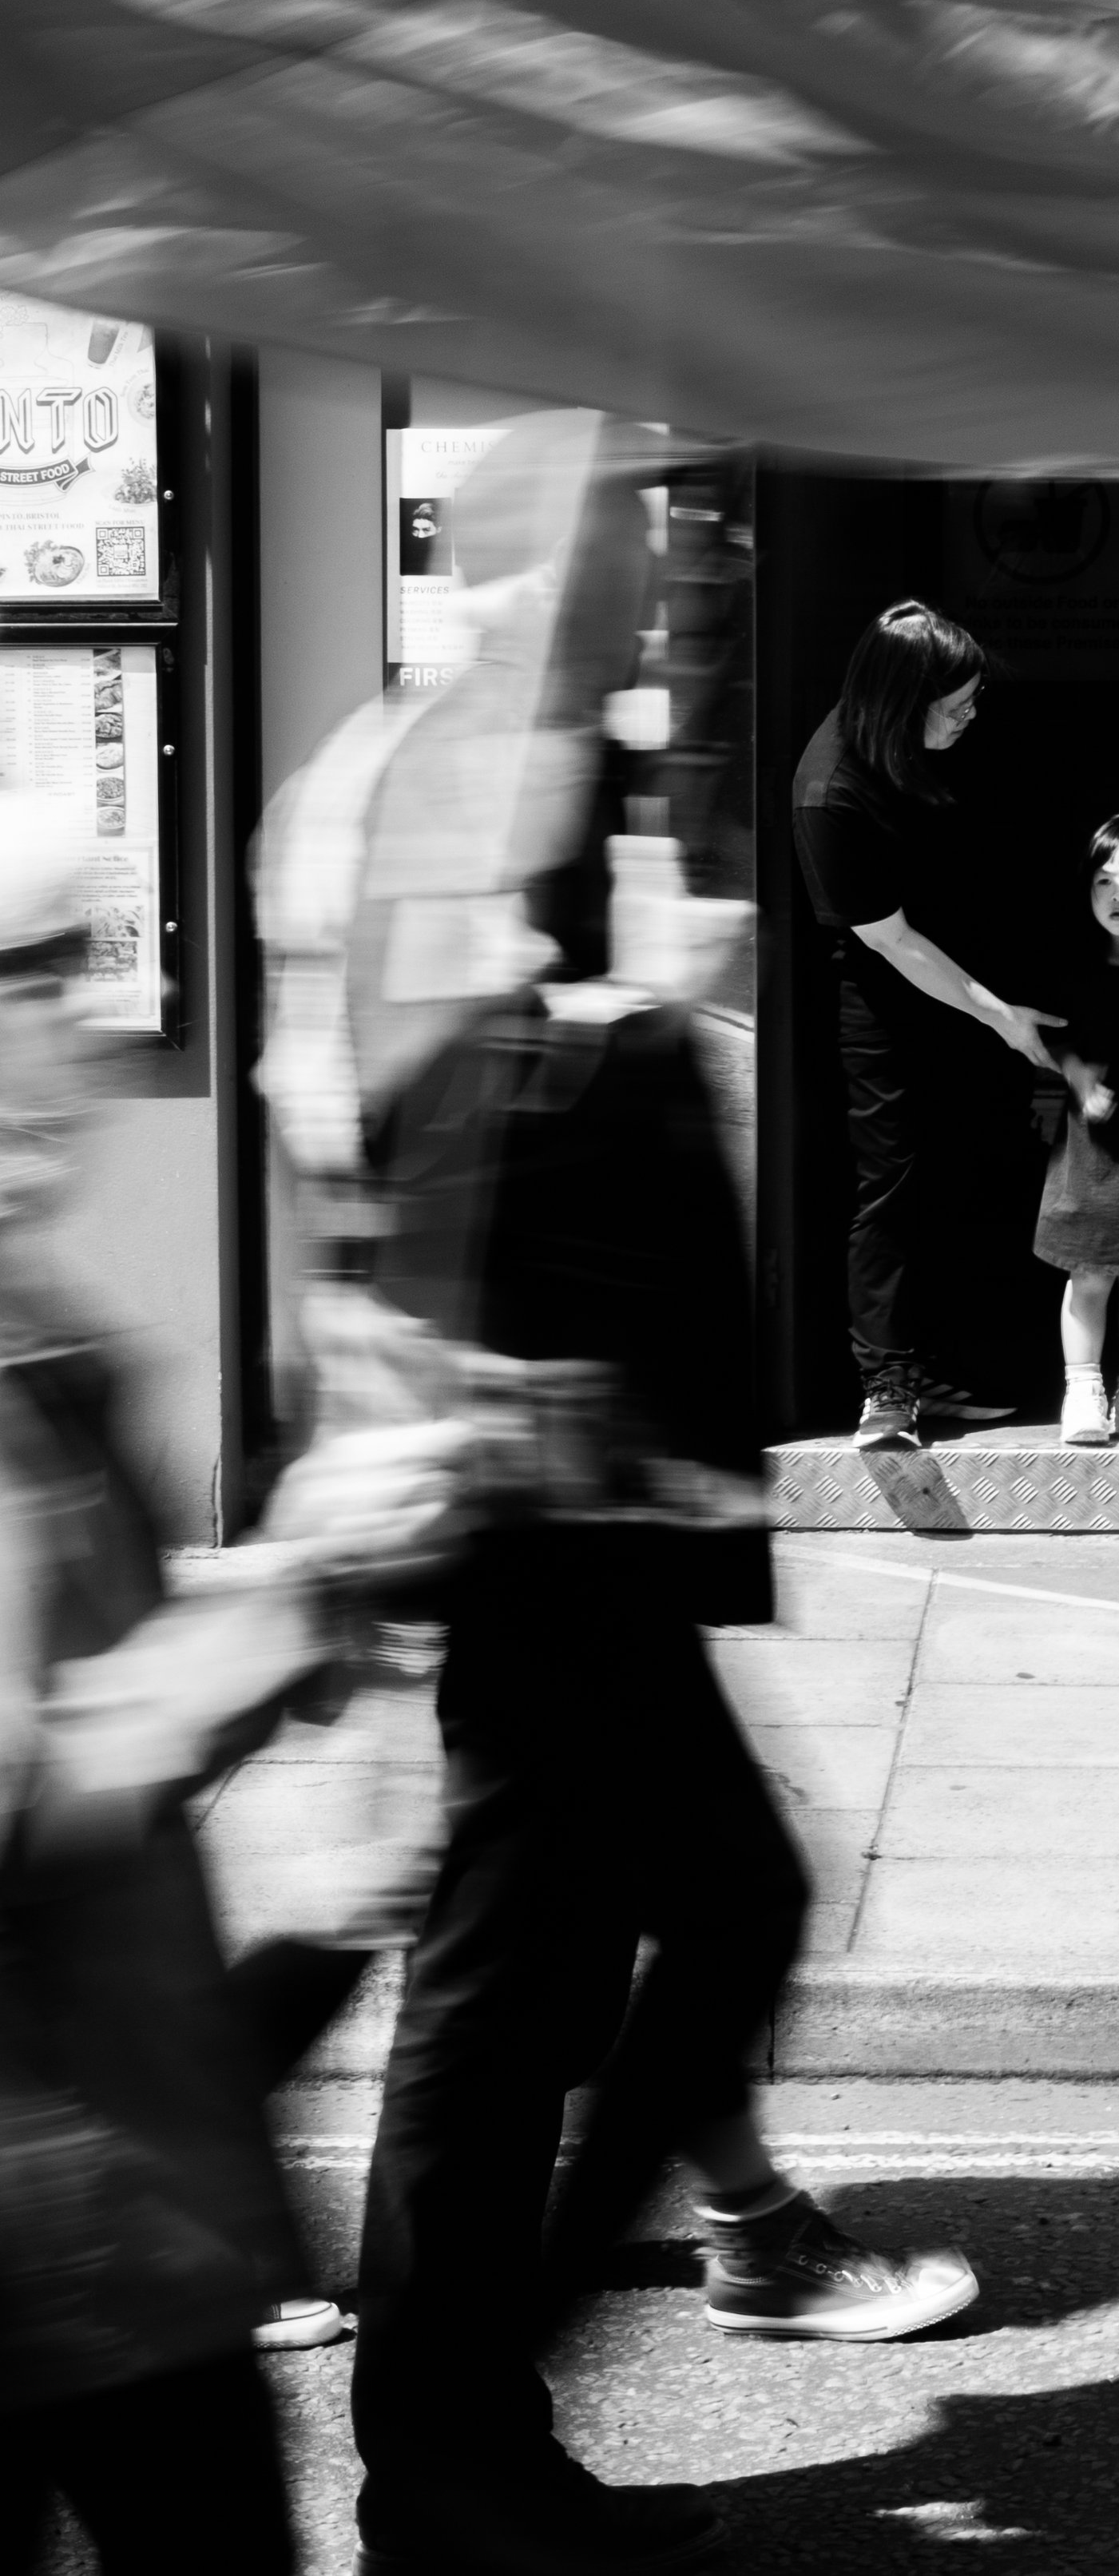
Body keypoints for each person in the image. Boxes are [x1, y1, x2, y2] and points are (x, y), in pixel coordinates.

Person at [253, 430, 978, 2576]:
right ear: (513, 572)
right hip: (522, 1497)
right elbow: (377, 1140)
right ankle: (461, 2436)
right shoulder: (447, 783)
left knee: (584, 1953)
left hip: (599, 1497)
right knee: (543, 1971)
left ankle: (474, 2429)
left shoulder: (563, 763)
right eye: (631, 550)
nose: (671, 577)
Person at [0, 790, 479, 2575]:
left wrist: (330, 1914)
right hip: (71, 2233)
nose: (79, 1031)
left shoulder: (49, 1330)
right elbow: (35, 1776)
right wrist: (303, 1584)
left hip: (118, 2193)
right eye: (41, 976)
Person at [792, 601, 1065, 1449]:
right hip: (887, 997)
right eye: (957, 704)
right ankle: (887, 1386)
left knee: (964, 1168)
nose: (971, 716)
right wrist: (1002, 1018)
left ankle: (942, 1359)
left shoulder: (915, 745)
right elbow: (894, 943)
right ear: (903, 699)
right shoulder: (830, 790)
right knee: (893, 1183)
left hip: (961, 976)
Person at [1033, 812, 1119, 1446]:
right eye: (1103, 882)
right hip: (1089, 1150)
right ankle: (1083, 1388)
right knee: (1087, 1274)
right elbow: (1055, 1039)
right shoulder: (1074, 966)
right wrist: (1078, 1076)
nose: (1117, 896)